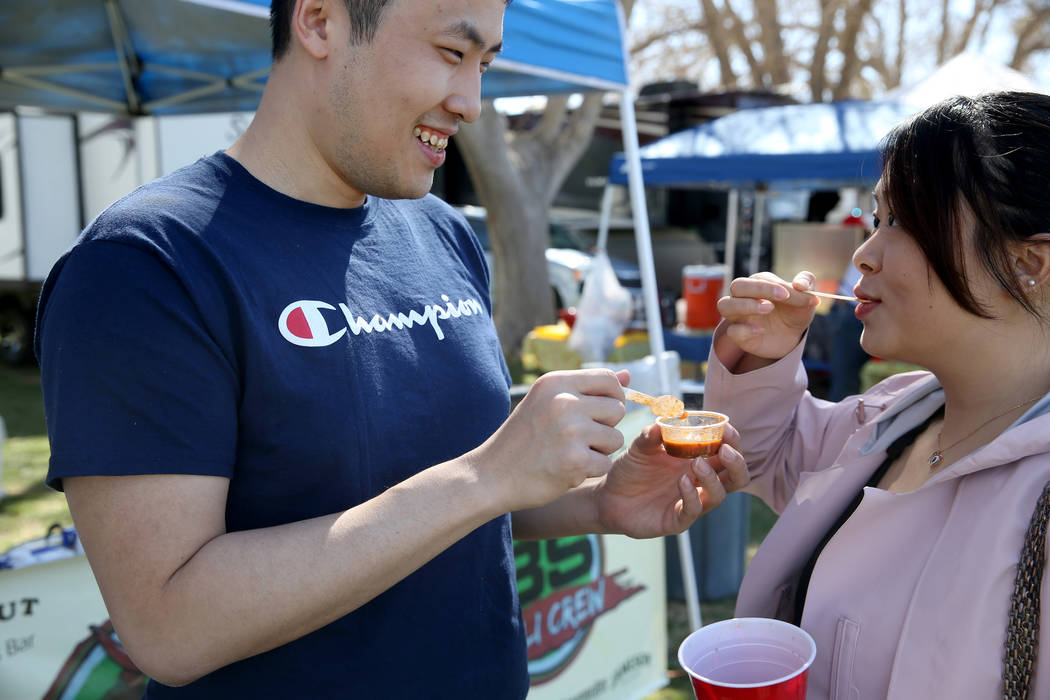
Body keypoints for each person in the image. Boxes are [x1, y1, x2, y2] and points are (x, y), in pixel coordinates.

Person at [34, 1, 748, 697]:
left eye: (485, 63)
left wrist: (595, 505)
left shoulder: (440, 233)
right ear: (319, 20)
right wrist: (486, 477)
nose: (471, 101)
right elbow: (168, 626)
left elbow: (422, 501)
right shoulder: (145, 264)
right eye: (450, 53)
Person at [706, 91, 1050, 699]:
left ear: (1030, 262)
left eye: (905, 222)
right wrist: (764, 354)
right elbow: (760, 456)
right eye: (876, 220)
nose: (864, 255)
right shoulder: (896, 416)